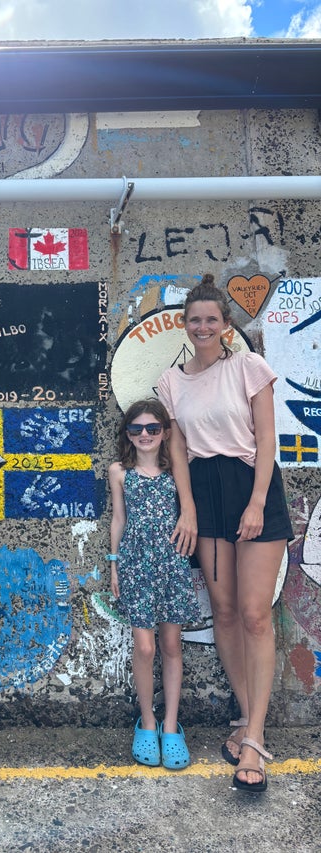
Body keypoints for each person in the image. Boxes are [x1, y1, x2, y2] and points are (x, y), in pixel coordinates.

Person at [157, 274, 293, 793]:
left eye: (212, 319)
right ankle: (245, 714)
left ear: (226, 324)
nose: (203, 326)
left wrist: (257, 501)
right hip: (205, 495)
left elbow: (265, 440)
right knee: (226, 612)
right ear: (185, 325)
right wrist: (187, 511)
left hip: (249, 486)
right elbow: (178, 453)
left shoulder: (248, 367)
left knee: (256, 614)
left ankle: (255, 738)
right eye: (195, 319)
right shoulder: (173, 382)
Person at [109, 399, 200, 770]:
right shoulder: (119, 471)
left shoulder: (176, 469)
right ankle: (146, 719)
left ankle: (170, 724)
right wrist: (114, 565)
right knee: (144, 647)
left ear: (164, 432)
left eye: (153, 428)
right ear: (127, 434)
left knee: (172, 644)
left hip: (171, 562)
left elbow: (187, 511)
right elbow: (118, 519)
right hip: (135, 565)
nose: (145, 435)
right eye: (136, 429)